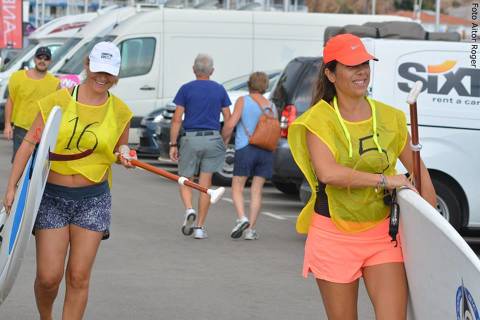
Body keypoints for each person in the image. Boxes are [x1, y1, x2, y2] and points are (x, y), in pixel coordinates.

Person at [288, 33, 437, 320]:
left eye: (365, 64)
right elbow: (328, 173)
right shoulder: (317, 120)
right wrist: (385, 180)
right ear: (331, 74)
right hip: (333, 236)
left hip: (383, 235)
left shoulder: (391, 117)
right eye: (352, 65)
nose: (362, 72)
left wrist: (433, 231)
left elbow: (419, 173)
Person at [3, 42, 133, 320]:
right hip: (50, 196)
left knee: (78, 277)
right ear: (87, 65)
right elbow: (29, 143)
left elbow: (121, 147)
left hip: (93, 199)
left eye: (109, 73)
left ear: (117, 75)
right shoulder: (57, 101)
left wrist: (124, 153)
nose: (102, 77)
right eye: (98, 69)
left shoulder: (121, 111)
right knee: (49, 278)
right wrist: (12, 186)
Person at [169, 53, 231, 239]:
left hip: (191, 138)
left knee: (185, 178)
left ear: (193, 70)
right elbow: (228, 119)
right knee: (205, 185)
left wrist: (173, 143)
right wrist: (223, 140)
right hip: (213, 138)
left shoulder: (185, 89)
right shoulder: (219, 90)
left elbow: (176, 118)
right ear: (212, 71)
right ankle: (199, 227)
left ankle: (189, 209)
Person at [222, 71, 275, 240]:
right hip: (266, 150)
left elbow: (230, 124)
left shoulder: (243, 101)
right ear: (265, 85)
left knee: (237, 185)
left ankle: (241, 218)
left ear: (249, 84)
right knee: (256, 190)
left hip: (246, 148)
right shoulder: (271, 105)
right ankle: (250, 230)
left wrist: (224, 141)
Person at [3, 46, 60, 160]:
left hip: (42, 131)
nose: (42, 61)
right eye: (39, 57)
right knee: (19, 164)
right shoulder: (17, 77)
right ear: (34, 59)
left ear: (50, 62)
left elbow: (57, 110)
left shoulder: (55, 83)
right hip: (21, 129)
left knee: (37, 167)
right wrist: (7, 125)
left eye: (46, 58)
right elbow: (10, 101)